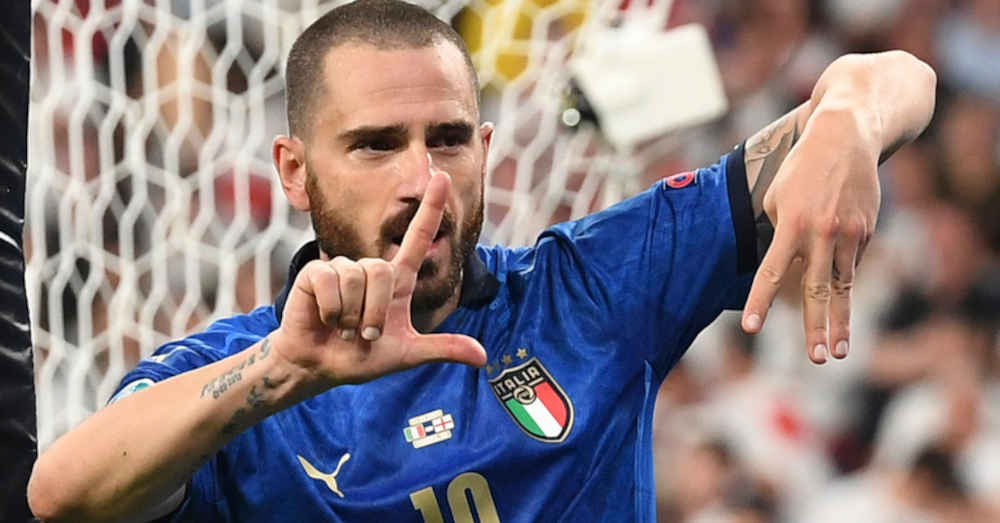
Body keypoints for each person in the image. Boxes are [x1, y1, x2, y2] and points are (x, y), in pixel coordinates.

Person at [26, 0, 936, 521]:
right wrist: (282, 371)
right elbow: (60, 493)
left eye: (449, 139)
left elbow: (901, 79)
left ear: (488, 149)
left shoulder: (587, 292)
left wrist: (848, 117)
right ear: (294, 171)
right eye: (375, 145)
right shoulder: (242, 376)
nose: (422, 179)